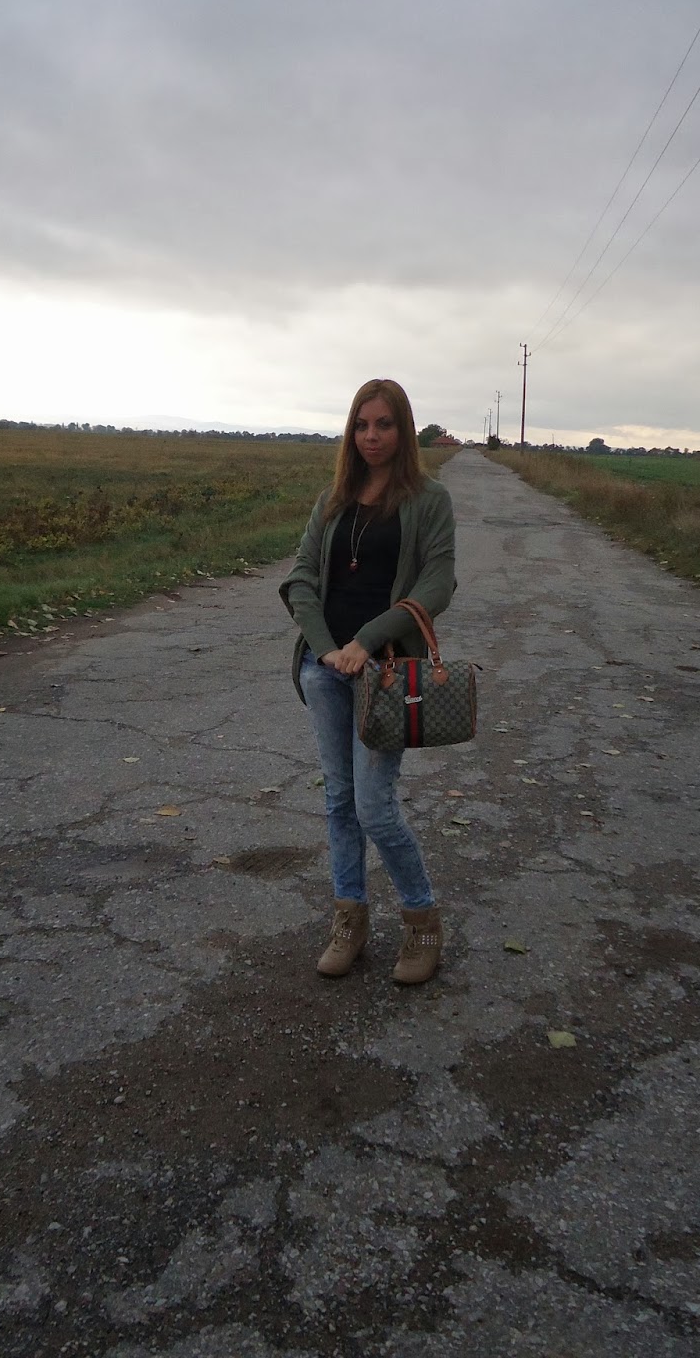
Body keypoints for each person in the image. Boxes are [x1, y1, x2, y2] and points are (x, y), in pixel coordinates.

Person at [279, 378, 456, 984]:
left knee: (374, 807)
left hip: (386, 674)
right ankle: (349, 920)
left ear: (404, 430)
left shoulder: (429, 500)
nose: (371, 436)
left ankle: (421, 921)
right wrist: (328, 649)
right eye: (361, 425)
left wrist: (365, 641)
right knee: (338, 801)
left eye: (384, 424)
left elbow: (437, 585)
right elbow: (300, 578)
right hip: (325, 669)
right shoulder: (333, 500)